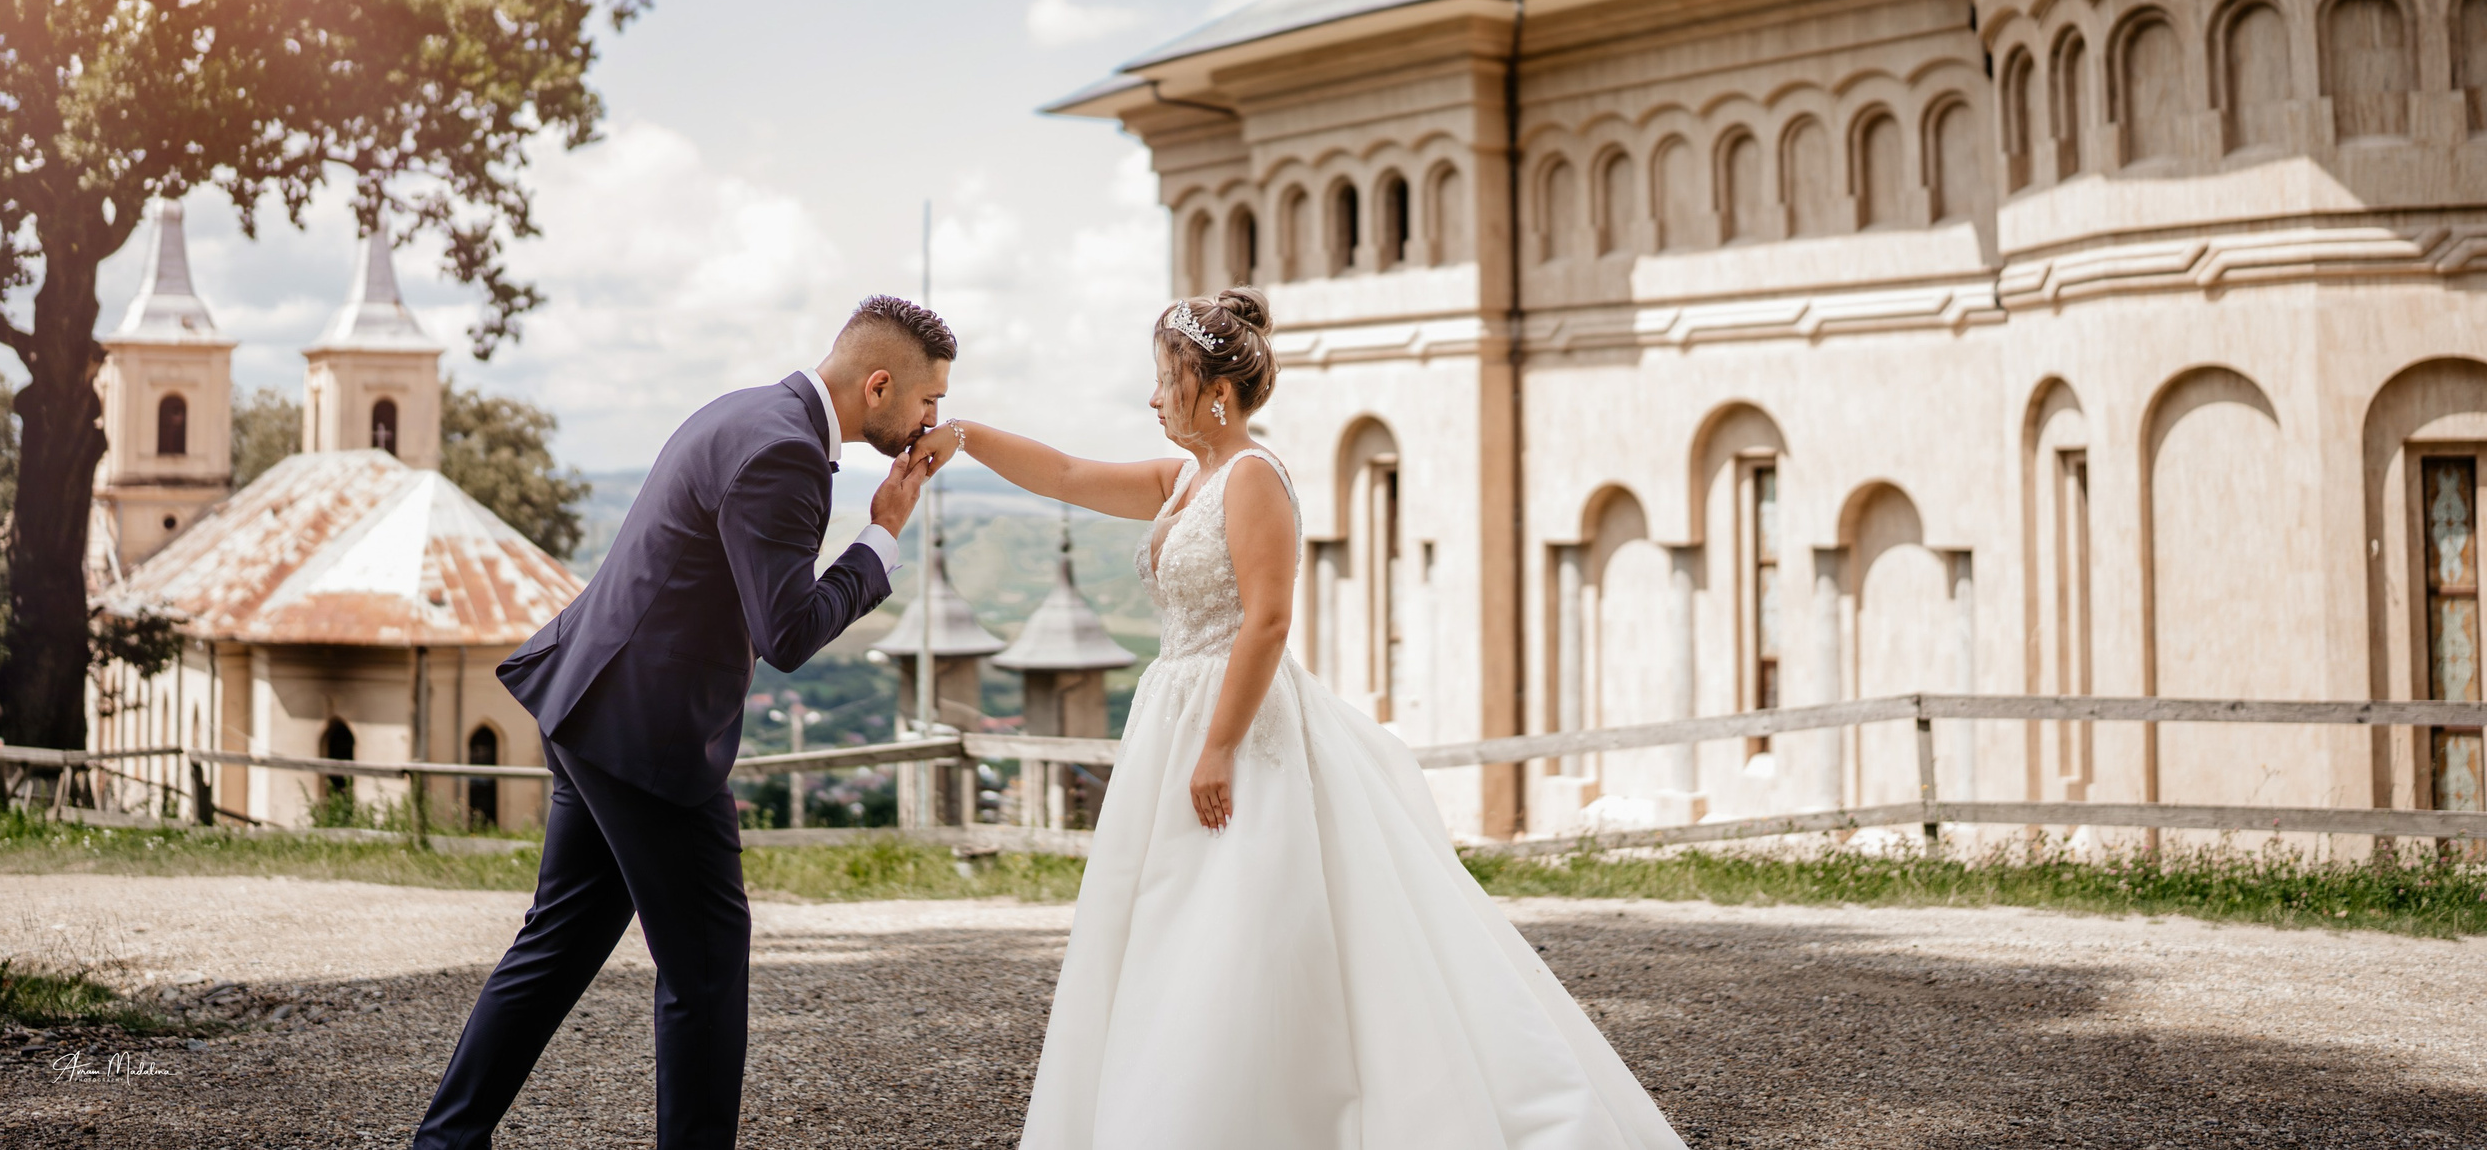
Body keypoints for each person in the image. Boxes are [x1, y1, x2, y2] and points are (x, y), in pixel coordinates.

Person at [910, 288, 1685, 1150]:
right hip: (1171, 719)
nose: (1154, 397)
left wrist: (1219, 746)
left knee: (1241, 924)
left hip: (1236, 726)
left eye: (1167, 379)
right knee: (1166, 922)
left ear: (1216, 390)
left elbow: (1269, 619)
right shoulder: (1187, 478)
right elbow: (1066, 475)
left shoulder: (1253, 476)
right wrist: (964, 436)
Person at [413, 296, 956, 1150]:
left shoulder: (747, 409)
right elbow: (788, 634)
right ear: (879, 385)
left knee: (556, 945)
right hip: (648, 739)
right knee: (705, 967)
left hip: (589, 703)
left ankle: (444, 1142)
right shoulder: (787, 452)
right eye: (928, 400)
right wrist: (882, 533)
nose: (932, 418)